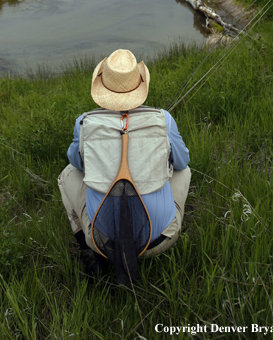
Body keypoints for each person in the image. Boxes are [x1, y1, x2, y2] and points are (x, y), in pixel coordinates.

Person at [58, 49, 191, 279]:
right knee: (185, 171)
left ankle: (87, 251)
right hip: (161, 238)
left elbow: (76, 163)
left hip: (102, 240)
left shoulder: (84, 122)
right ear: (140, 84)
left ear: (102, 85)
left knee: (66, 175)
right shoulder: (164, 119)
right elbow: (182, 163)